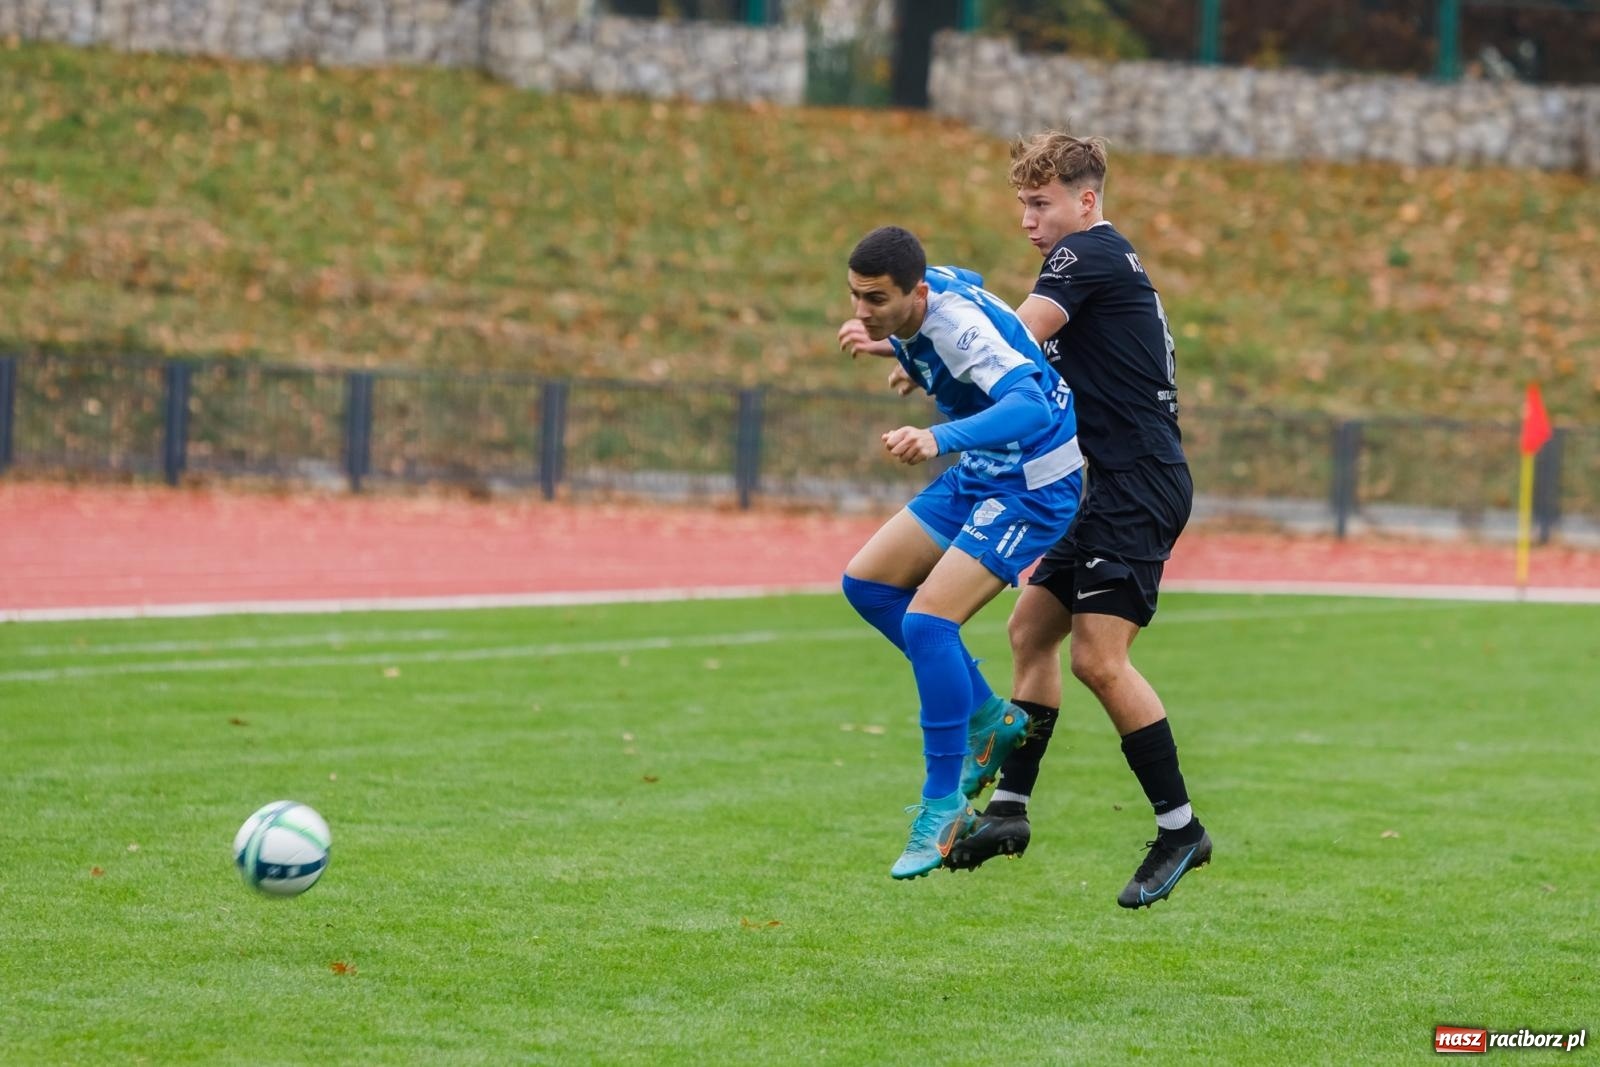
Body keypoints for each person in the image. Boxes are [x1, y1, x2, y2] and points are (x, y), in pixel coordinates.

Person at [839, 134, 1211, 909]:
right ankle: (1009, 808)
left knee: (1099, 660)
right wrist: (923, 358)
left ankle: (1180, 827)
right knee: (1030, 634)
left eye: (1041, 205)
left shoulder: (1086, 256)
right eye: (1022, 206)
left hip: (1134, 482)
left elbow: (1015, 337)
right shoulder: (1100, 263)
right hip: (1096, 479)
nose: (1030, 222)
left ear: (1086, 200)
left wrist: (923, 357)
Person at [835, 225, 1084, 880]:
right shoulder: (932, 289)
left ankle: (942, 804)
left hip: (1034, 482)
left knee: (927, 621)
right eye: (856, 297)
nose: (861, 309)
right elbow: (969, 285)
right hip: (986, 469)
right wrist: (895, 344)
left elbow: (1029, 403)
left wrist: (936, 434)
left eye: (876, 300)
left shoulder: (952, 325)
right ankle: (986, 715)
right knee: (866, 583)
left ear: (914, 290)